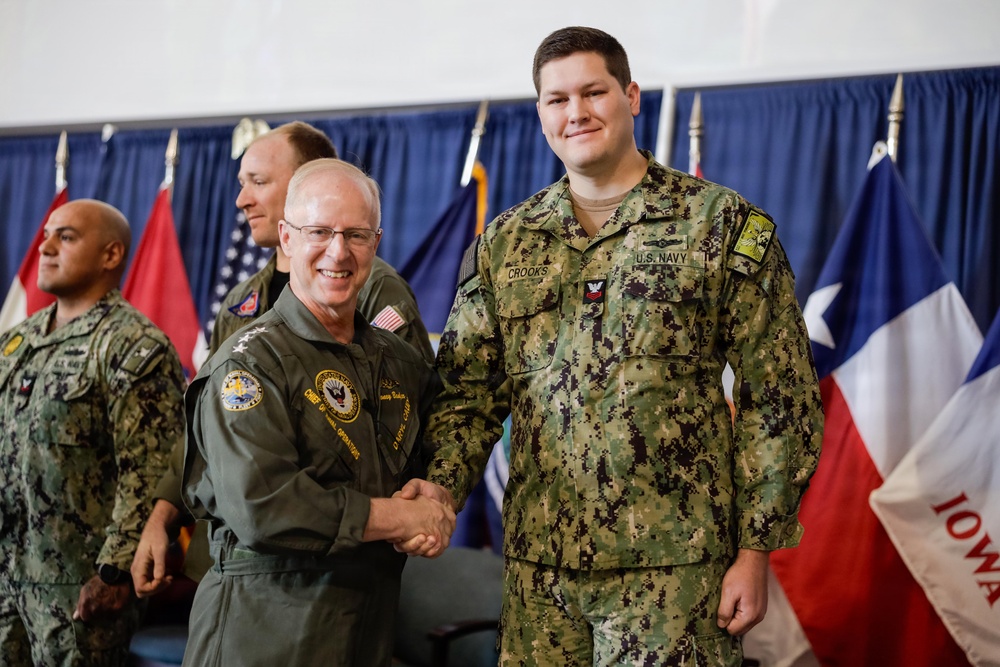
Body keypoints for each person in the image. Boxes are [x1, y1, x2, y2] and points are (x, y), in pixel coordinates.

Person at [399, 26, 824, 665]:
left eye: (593, 92)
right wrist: (438, 489)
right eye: (557, 99)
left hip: (676, 571)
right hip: (541, 572)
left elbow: (779, 396)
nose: (577, 113)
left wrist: (755, 548)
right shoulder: (507, 242)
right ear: (540, 113)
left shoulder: (718, 223)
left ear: (630, 96)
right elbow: (466, 394)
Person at [131, 121, 434, 596]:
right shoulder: (242, 303)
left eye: (258, 181)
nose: (242, 199)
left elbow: (402, 421)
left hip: (328, 566)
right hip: (231, 556)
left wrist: (415, 511)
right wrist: (162, 516)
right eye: (241, 183)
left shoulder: (369, 287)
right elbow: (205, 429)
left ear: (306, 182)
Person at [180, 159, 453, 667]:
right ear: (286, 239)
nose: (338, 251)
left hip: (364, 632)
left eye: (356, 234)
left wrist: (431, 495)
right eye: (319, 231)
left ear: (376, 242)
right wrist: (399, 517)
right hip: (263, 636)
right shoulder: (248, 365)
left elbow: (432, 453)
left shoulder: (399, 362)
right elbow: (266, 506)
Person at [0, 200, 186, 665]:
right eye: (46, 234)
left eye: (65, 237)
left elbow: (148, 470)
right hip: (6, 579)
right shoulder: (17, 341)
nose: (44, 247)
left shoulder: (134, 346)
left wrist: (114, 572)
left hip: (79, 592)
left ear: (110, 255)